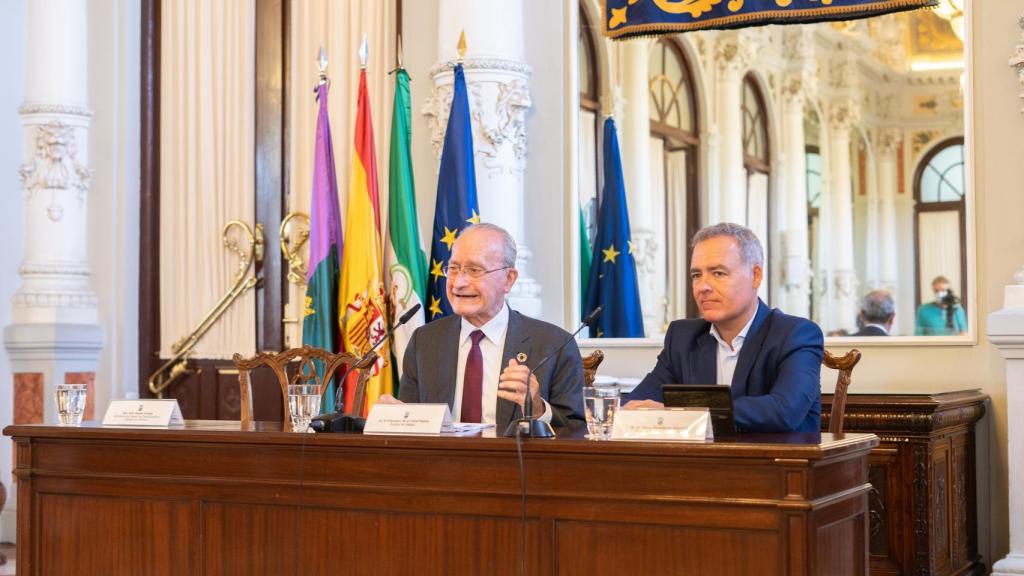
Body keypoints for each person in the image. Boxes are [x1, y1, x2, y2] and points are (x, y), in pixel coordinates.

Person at [625, 223, 824, 433]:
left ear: (755, 275)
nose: (703, 287)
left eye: (718, 273)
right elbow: (637, 402)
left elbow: (784, 410)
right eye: (696, 275)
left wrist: (681, 414)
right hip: (700, 463)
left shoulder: (796, 334)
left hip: (775, 462)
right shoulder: (682, 338)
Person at [393, 223, 585, 430]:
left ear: (508, 279)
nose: (458, 283)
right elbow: (411, 426)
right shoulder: (425, 341)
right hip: (441, 461)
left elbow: (577, 430)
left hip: (517, 461)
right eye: (454, 269)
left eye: (474, 270)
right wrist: (392, 417)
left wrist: (538, 409)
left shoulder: (554, 345)